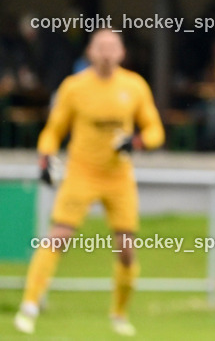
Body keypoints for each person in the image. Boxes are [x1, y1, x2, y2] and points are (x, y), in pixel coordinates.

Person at [13, 29, 165, 337]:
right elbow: (53, 130)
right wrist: (45, 157)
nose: (107, 53)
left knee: (126, 249)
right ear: (90, 52)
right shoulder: (74, 87)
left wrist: (135, 142)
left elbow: (155, 131)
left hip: (118, 176)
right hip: (81, 172)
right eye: (101, 47)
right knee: (59, 236)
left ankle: (119, 314)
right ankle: (29, 306)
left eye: (113, 47)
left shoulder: (134, 86)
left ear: (122, 53)